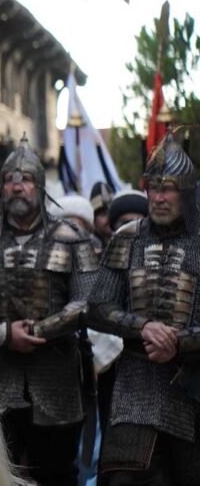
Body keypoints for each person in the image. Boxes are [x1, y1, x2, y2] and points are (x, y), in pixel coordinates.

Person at [0, 136, 98, 485]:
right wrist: (1, 332)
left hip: (56, 374)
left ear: (39, 186)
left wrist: (39, 331)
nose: (17, 186)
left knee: (57, 474)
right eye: (9, 179)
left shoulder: (71, 237)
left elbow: (86, 302)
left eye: (25, 179)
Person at [88, 135, 200, 484]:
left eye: (168, 188)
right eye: (153, 187)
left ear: (187, 192)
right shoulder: (127, 238)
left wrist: (179, 343)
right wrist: (143, 327)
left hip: (193, 387)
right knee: (124, 478)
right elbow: (96, 307)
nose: (158, 197)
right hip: (135, 389)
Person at [91, 182, 115, 249]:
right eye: (103, 214)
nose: (109, 218)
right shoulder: (90, 248)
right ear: (93, 220)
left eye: (112, 212)